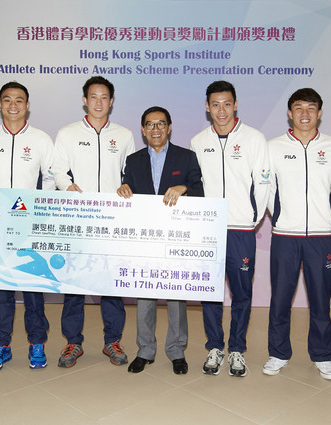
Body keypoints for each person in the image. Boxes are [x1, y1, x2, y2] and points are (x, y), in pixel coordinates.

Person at [0, 81, 56, 371]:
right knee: (1, 289)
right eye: (7, 100)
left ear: (27, 105)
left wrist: (40, 203)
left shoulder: (42, 139)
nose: (13, 105)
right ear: (0, 104)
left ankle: (36, 343)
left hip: (30, 226)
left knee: (33, 287)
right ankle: (1, 344)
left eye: (19, 100)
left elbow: (51, 176)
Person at [262, 88, 331, 380]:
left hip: (321, 236)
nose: (305, 114)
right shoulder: (273, 147)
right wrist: (282, 217)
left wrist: (323, 215)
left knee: (321, 299)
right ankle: (278, 352)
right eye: (299, 108)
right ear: (290, 112)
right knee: (280, 298)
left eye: (311, 108)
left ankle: (322, 355)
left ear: (320, 113)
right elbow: (267, 187)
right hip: (285, 235)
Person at [52, 76, 136, 368]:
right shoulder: (67, 133)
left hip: (113, 223)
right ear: (85, 100)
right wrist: (66, 187)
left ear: (111, 102)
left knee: (111, 285)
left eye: (104, 97)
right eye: (93, 97)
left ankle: (112, 340)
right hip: (78, 221)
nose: (99, 102)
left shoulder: (124, 135)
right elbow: (58, 172)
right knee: (74, 285)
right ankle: (72, 342)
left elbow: (131, 174)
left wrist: (127, 187)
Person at [190, 80, 270, 377]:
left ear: (235, 104)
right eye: (215, 104)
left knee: (242, 293)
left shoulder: (254, 139)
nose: (221, 110)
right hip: (208, 229)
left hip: (240, 229)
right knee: (209, 292)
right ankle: (215, 347)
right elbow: (196, 185)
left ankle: (237, 349)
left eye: (226, 104)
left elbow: (263, 183)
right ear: (207, 107)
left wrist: (252, 218)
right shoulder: (199, 142)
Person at [117, 106, 204, 375]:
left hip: (176, 238)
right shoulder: (132, 161)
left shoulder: (186, 157)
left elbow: (199, 190)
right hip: (145, 238)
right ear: (143, 130)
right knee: (145, 294)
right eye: (150, 125)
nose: (155, 129)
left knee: (176, 296)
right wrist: (122, 189)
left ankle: (176, 350)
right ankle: (145, 349)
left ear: (169, 128)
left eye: (161, 124)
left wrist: (184, 187)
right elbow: (126, 190)